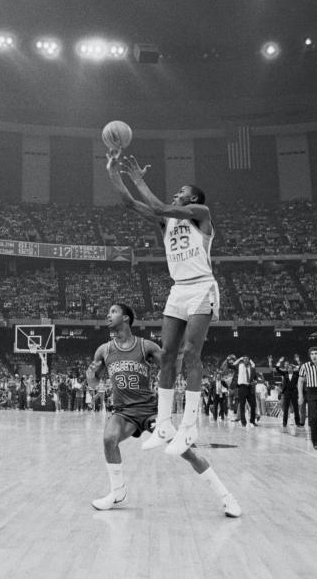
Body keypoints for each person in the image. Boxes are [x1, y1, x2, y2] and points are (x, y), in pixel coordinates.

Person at [105, 151, 219, 455]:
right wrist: (114, 173)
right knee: (168, 355)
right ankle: (165, 423)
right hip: (178, 289)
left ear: (193, 197)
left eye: (182, 190)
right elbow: (131, 204)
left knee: (190, 354)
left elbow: (161, 205)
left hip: (201, 288)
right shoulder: (166, 221)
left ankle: (190, 425)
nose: (176, 193)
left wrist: (139, 178)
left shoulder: (202, 213)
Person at [86, 303, 240, 517]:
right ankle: (117, 492)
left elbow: (171, 370)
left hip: (150, 410)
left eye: (113, 311)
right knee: (108, 439)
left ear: (126, 318)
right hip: (123, 412)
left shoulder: (145, 346)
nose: (107, 315)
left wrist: (177, 354)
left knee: (188, 453)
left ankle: (226, 497)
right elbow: (93, 384)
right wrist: (90, 375)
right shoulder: (104, 350)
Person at [277, 358, 303, 427]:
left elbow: (301, 368)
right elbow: (277, 369)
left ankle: (297, 423)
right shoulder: (284, 374)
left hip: (294, 393)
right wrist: (279, 362)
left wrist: (298, 361)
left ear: (293, 369)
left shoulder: (296, 374)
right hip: (286, 393)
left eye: (291, 368)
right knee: (286, 409)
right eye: (288, 368)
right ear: (287, 369)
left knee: (296, 408)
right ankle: (284, 423)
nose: (290, 369)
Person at [235, 356, 258, 428]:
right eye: (244, 359)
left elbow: (255, 378)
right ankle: (243, 422)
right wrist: (239, 359)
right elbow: (233, 364)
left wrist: (255, 382)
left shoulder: (252, 368)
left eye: (247, 359)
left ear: (249, 361)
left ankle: (252, 421)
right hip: (242, 388)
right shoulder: (239, 367)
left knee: (253, 405)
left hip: (250, 388)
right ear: (242, 361)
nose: (245, 360)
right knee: (242, 405)